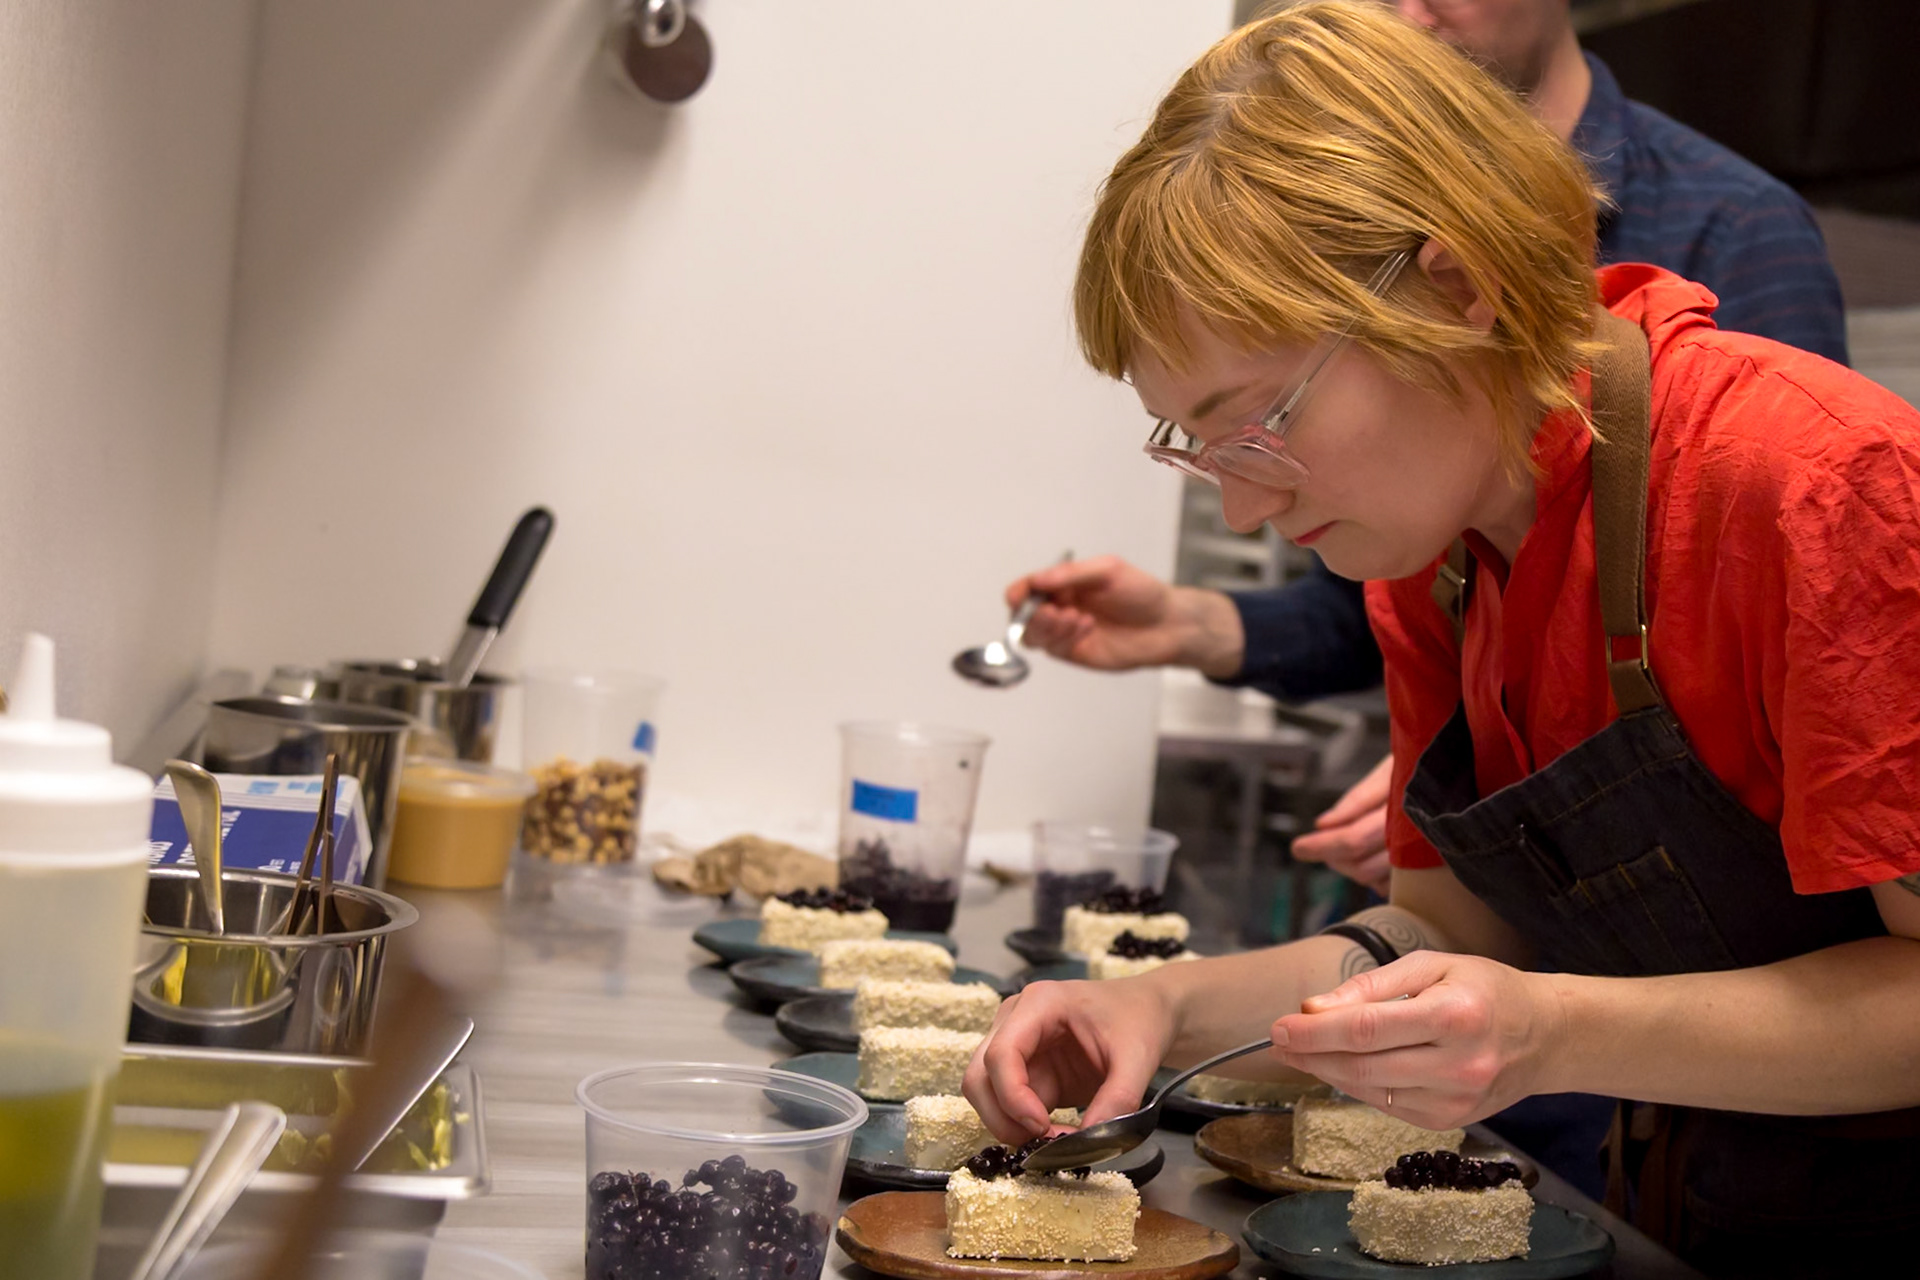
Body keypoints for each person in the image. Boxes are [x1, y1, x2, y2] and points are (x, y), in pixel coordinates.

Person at [966, 5, 1920, 1274]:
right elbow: (1448, 934)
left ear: (1457, 287)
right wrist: (1154, 1002)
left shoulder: (1801, 484)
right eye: (1198, 450)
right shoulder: (1437, 558)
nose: (1247, 504)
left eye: (1258, 423)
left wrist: (1549, 1033)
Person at [1009, 0, 1850, 898]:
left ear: (1460, 286)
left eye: (1265, 423)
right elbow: (1362, 605)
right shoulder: (1435, 531)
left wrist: (1522, 990)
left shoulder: (1785, 425)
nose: (1407, 13)